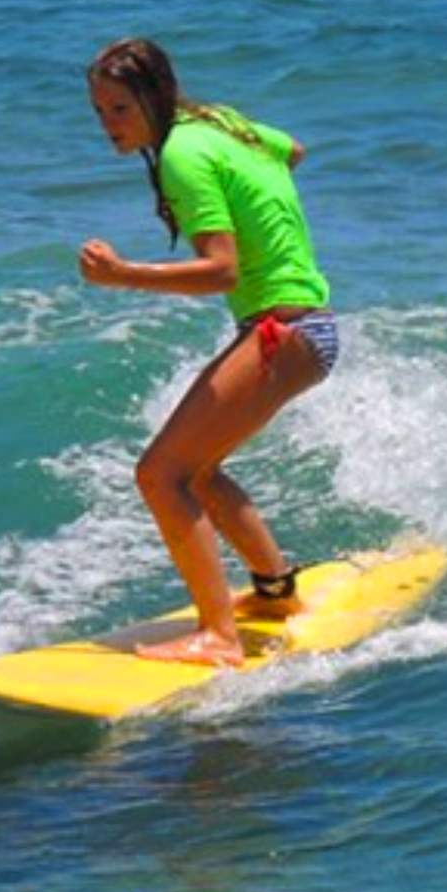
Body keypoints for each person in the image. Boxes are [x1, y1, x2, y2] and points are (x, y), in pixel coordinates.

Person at [79, 37, 341, 666]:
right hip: (305, 325)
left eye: (119, 109)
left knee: (159, 475)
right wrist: (262, 208)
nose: (109, 126)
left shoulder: (181, 153)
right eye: (99, 112)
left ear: (152, 97)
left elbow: (220, 270)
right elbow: (292, 150)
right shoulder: (219, 123)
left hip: (285, 331)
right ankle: (275, 589)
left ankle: (218, 636)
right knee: (197, 468)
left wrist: (124, 275)